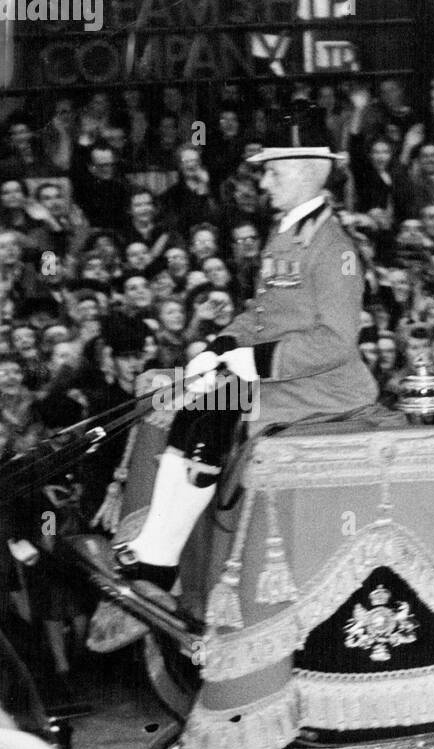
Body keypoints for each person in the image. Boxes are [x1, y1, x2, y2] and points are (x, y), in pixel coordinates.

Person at [92, 101, 376, 596]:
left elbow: (336, 342)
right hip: (279, 376)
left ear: (308, 172)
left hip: (323, 388)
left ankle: (160, 557)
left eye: (272, 172)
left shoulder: (335, 249)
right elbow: (262, 312)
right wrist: (221, 344)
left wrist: (254, 361)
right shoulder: (285, 234)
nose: (263, 183)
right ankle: (157, 548)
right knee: (195, 411)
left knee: (212, 413)